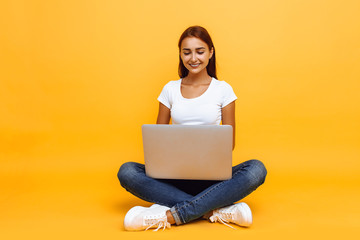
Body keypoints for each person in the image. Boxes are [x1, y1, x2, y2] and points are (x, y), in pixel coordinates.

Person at [117, 26, 267, 231]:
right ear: (180, 54)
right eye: (186, 52)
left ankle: (173, 215)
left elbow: (228, 144)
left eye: (200, 51)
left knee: (256, 169)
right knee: (127, 172)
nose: (193, 58)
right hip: (173, 179)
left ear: (211, 53)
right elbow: (159, 141)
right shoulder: (169, 89)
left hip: (213, 180)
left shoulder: (223, 90)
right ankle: (212, 210)